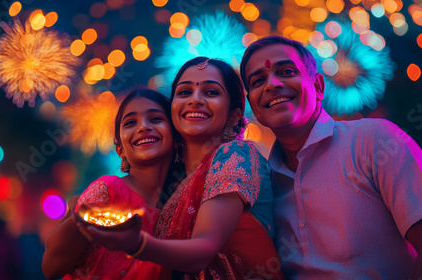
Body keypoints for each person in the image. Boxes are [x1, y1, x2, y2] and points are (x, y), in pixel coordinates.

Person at [239, 35, 422, 279]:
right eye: (259, 80)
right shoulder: (262, 183)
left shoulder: (374, 141)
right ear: (252, 104)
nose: (272, 84)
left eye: (287, 71)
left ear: (318, 87)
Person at [75, 57, 284, 279]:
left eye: (211, 92)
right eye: (184, 92)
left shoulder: (234, 154)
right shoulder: (175, 186)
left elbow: (203, 251)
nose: (195, 100)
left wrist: (138, 244)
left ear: (233, 114)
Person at [42, 88, 176, 280]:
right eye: (131, 122)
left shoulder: (183, 202)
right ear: (119, 147)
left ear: (176, 134)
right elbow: (51, 268)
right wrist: (78, 216)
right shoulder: (107, 191)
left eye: (155, 119)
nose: (143, 127)